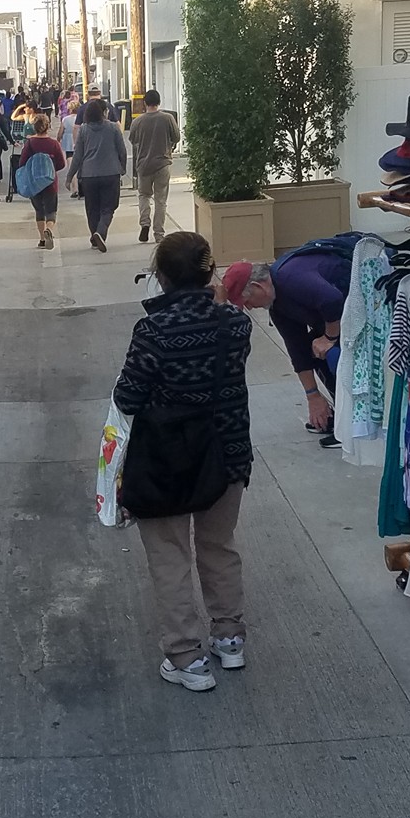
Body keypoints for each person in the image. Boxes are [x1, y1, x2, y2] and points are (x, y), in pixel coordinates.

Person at [113, 231, 254, 691]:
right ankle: (229, 639)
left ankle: (187, 657)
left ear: (162, 276)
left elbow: (127, 396)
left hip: (167, 463)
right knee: (219, 547)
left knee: (170, 557)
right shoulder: (235, 324)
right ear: (209, 272)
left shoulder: (153, 330)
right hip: (226, 456)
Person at [223, 238, 355, 442]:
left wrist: (329, 338)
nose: (249, 308)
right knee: (313, 350)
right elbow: (297, 350)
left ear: (259, 286)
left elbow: (332, 300)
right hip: (343, 316)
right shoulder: (276, 305)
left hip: (363, 305)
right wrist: (313, 397)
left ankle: (352, 424)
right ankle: (340, 416)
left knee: (331, 352)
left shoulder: (289, 278)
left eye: (247, 300)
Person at [66, 98, 129, 252]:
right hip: (110, 173)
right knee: (109, 207)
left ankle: (95, 238)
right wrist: (123, 167)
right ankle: (100, 232)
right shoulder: (113, 128)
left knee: (92, 208)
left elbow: (78, 155)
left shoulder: (84, 130)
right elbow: (122, 150)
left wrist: (70, 177)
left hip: (89, 175)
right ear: (103, 113)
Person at [127, 89, 182, 244]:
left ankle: (145, 223)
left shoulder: (138, 121)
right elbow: (177, 137)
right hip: (163, 163)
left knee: (144, 195)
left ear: (145, 103)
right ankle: (159, 233)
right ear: (159, 102)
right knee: (160, 199)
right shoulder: (167, 118)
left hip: (144, 164)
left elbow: (132, 139)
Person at [15, 114, 67, 249]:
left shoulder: (30, 144)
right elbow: (61, 163)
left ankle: (42, 239)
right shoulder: (54, 144)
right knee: (51, 210)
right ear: (48, 127)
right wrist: (50, 169)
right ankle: (49, 228)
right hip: (50, 182)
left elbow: (22, 163)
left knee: (39, 210)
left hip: (34, 183)